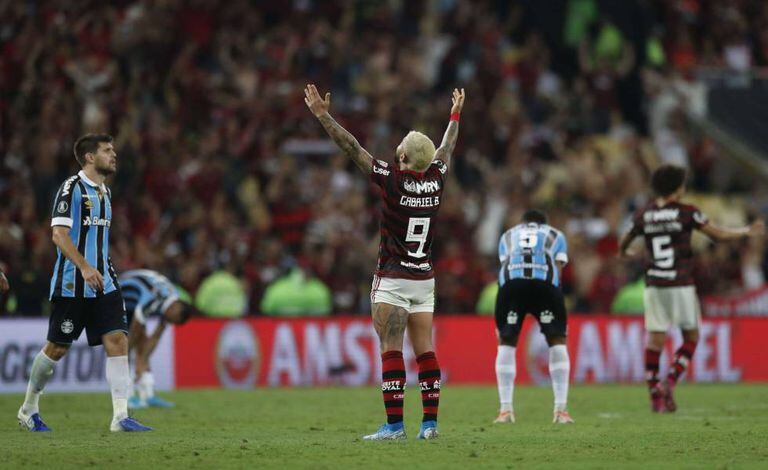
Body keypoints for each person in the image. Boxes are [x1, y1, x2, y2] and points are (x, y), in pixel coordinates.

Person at [305, 84, 464, 440]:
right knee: (425, 350)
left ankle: (394, 427)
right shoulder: (437, 179)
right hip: (424, 279)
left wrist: (322, 115)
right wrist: (455, 114)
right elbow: (447, 146)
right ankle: (430, 425)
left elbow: (353, 149)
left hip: (392, 278)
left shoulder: (393, 181)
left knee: (391, 348)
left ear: (403, 158)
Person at [17, 134, 151, 432]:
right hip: (73, 282)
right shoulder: (71, 189)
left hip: (105, 280)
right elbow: (58, 235)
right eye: (107, 150)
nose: (114, 154)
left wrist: (97, 268)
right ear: (90, 157)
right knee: (57, 348)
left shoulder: (105, 192)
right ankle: (28, 409)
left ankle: (120, 416)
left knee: (118, 339)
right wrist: (84, 267)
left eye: (113, 149)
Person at [619, 164, 764, 412]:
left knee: (654, 341)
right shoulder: (687, 212)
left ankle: (655, 394)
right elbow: (717, 235)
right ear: (677, 188)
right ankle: (670, 380)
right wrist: (745, 231)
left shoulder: (644, 214)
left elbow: (626, 239)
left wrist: (624, 252)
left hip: (654, 284)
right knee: (691, 337)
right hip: (680, 283)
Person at [493, 210, 574, 424]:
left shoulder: (508, 235)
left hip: (512, 284)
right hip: (544, 284)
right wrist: (557, 306)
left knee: (506, 343)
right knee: (557, 341)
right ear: (544, 224)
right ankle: (561, 411)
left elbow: (505, 264)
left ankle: (505, 411)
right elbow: (557, 269)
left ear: (523, 223)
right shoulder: (556, 234)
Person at [119, 269, 196, 409]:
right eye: (172, 320)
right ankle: (127, 397)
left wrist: (141, 360)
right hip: (120, 295)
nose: (170, 322)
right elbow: (136, 327)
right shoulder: (153, 299)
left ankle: (148, 395)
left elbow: (155, 338)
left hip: (135, 301)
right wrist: (130, 360)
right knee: (127, 345)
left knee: (142, 345)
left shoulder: (172, 305)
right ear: (174, 310)